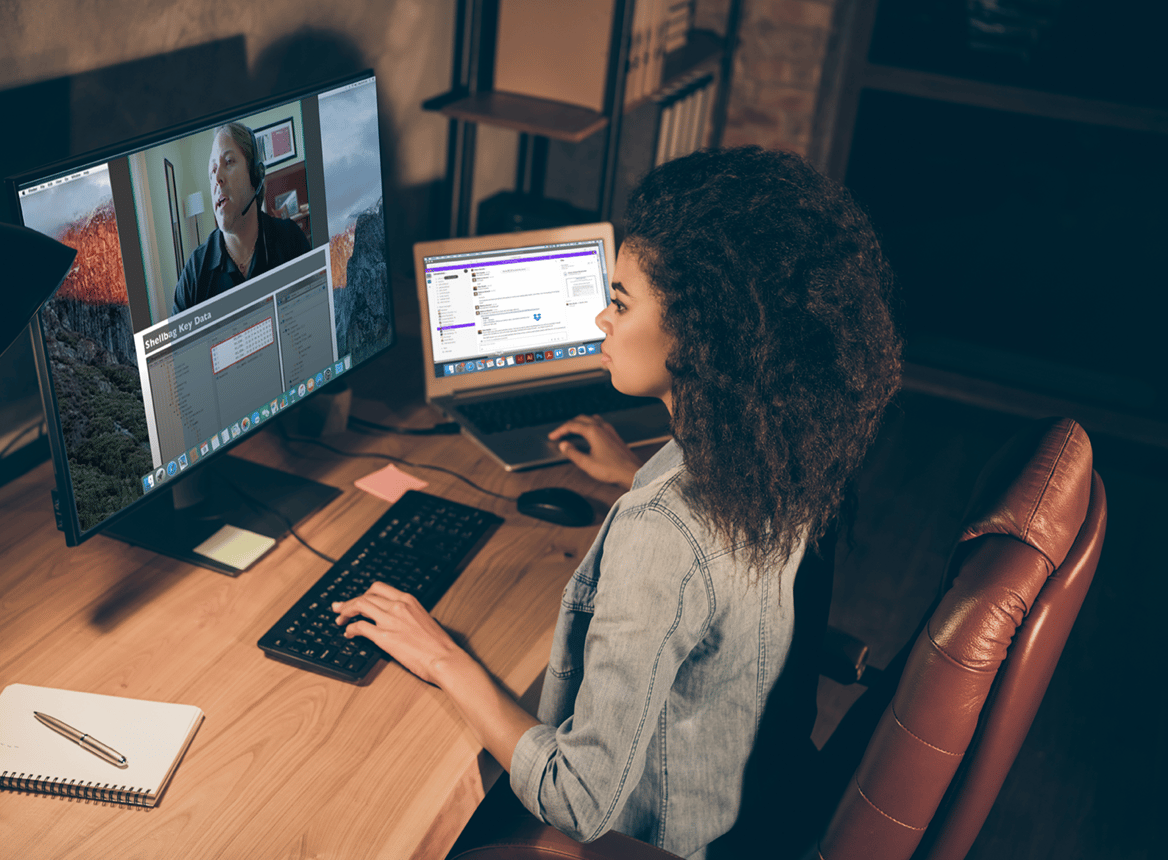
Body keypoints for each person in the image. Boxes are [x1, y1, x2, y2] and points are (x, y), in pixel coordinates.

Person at [333, 147, 901, 859]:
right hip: (752, 819)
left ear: (702, 334)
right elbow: (714, 570)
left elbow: (579, 799)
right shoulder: (777, 459)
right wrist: (635, 472)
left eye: (622, 302)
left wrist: (443, 656)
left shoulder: (664, 530)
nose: (601, 318)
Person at [170, 122, 311, 314]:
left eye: (228, 162)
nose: (217, 177)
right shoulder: (194, 274)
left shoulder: (291, 240)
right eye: (212, 171)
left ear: (255, 177)